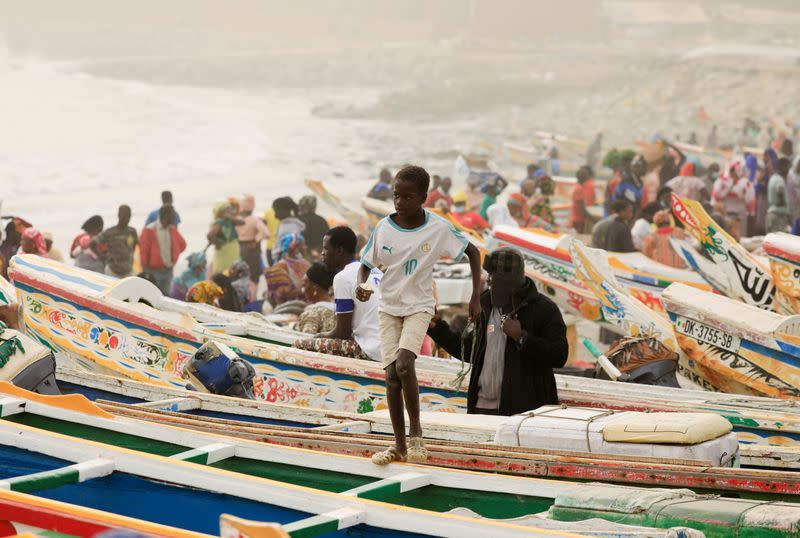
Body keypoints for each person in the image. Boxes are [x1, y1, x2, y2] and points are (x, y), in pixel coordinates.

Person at [357, 165, 481, 465]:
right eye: (396, 196)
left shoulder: (437, 228)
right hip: (389, 306)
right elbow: (370, 264)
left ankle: (416, 435)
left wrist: (475, 296)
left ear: (423, 197)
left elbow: (473, 252)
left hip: (419, 306)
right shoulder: (385, 227)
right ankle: (398, 445)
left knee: (403, 364)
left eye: (407, 197)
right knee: (390, 376)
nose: (400, 202)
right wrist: (365, 286)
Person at [428, 247, 568, 415]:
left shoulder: (544, 309)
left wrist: (522, 338)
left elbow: (560, 355)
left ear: (509, 281)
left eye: (494, 276)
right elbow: (471, 351)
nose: (489, 281)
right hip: (481, 408)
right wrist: (439, 330)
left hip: (524, 414)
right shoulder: (485, 304)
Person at [296, 226, 382, 361]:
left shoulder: (343, 277)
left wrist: (320, 336)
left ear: (339, 251)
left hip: (371, 350)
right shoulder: (376, 271)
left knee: (300, 344)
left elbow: (343, 332)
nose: (322, 253)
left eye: (326, 248)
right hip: (389, 348)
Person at [139, 205, 186, 294]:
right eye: (172, 215)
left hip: (168, 271)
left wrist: (173, 258)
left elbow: (182, 244)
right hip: (154, 272)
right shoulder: (149, 229)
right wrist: (147, 272)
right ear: (166, 215)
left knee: (166, 297)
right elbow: (143, 252)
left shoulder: (171, 229)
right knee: (152, 296)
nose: (174, 217)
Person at [91, 205, 138, 278]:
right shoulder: (110, 232)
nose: (126, 219)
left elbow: (135, 245)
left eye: (128, 216)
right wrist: (101, 256)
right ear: (119, 216)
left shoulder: (132, 231)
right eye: (124, 216)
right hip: (112, 271)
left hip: (128, 271)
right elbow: (92, 244)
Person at [264, 232, 310, 307]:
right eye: (303, 245)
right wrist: (305, 290)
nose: (305, 247)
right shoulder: (281, 266)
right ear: (295, 247)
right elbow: (281, 295)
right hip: (290, 307)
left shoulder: (305, 263)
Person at [235, 194, 270, 284]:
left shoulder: (235, 220)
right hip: (252, 250)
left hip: (237, 248)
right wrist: (257, 240)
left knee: (238, 275)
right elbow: (266, 233)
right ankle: (252, 296)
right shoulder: (254, 220)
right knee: (253, 278)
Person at [296, 262, 337, 334]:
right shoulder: (341, 312)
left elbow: (305, 341)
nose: (303, 290)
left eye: (304, 285)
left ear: (315, 288)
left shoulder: (312, 314)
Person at [207, 201, 242, 275]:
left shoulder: (229, 221)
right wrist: (217, 243)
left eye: (230, 210)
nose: (230, 212)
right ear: (221, 212)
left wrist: (230, 218)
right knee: (224, 274)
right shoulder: (219, 222)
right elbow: (210, 235)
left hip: (232, 252)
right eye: (227, 210)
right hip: (225, 253)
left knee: (233, 272)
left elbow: (242, 222)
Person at [271, 197, 306, 261]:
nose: (275, 216)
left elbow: (290, 249)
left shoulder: (290, 226)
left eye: (276, 211)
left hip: (287, 264)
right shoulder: (286, 224)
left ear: (283, 210)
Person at [767, 158, 792, 233]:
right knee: (780, 242)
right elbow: (779, 191)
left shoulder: (773, 178)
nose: (788, 170)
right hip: (779, 215)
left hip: (772, 213)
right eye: (787, 167)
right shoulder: (779, 180)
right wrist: (783, 203)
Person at [570, 166, 597, 234]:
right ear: (584, 177)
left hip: (576, 217)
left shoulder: (576, 186)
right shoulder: (579, 189)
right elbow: (582, 208)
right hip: (579, 219)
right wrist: (592, 218)